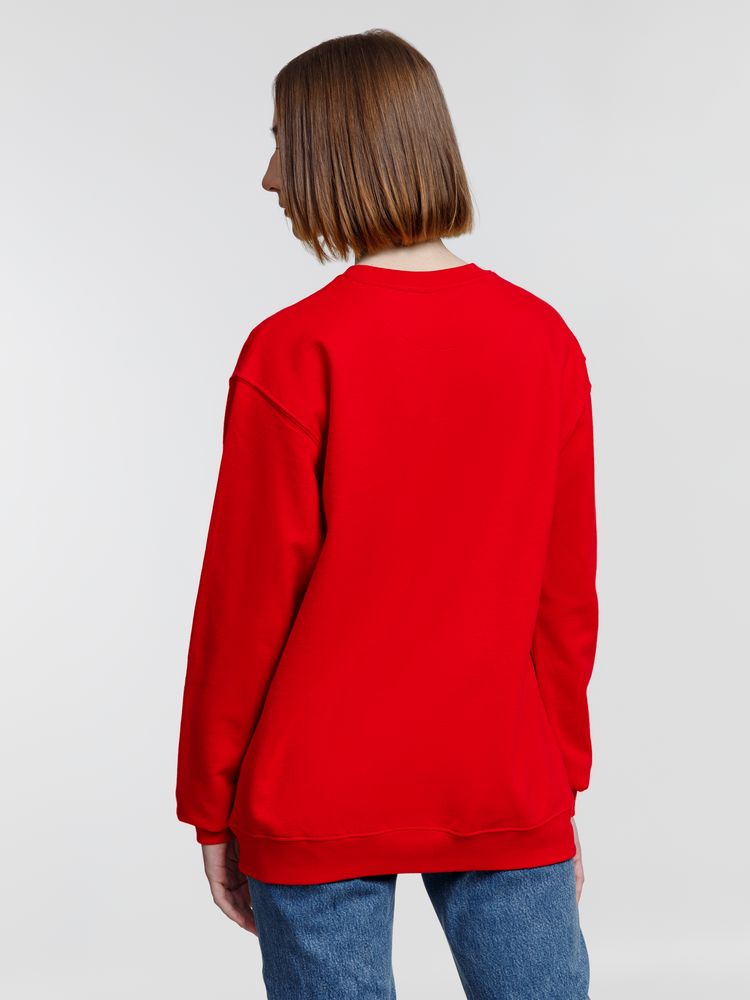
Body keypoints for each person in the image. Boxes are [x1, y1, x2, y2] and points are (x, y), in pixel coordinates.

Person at [175, 27, 598, 1000]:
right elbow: (565, 601)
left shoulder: (294, 350)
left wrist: (212, 802)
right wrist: (559, 784)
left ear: (334, 151)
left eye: (282, 143)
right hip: (502, 778)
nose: (270, 177)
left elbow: (244, 606)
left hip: (313, 787)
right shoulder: (542, 340)